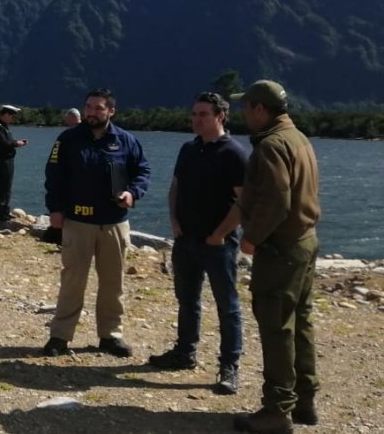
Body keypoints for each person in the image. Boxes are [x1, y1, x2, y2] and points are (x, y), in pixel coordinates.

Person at [230, 81, 321, 433]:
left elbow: (278, 200)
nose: (243, 113)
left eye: (246, 106)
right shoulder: (299, 138)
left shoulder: (270, 145)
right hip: (305, 242)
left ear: (259, 109)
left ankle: (276, 410)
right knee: (301, 323)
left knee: (276, 327)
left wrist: (252, 238)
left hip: (281, 249)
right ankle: (305, 400)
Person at [148, 92, 248, 395]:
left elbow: (244, 201)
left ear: (220, 116)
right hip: (185, 240)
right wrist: (174, 223)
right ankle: (184, 353)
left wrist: (220, 234)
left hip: (219, 245)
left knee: (227, 307)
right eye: (193, 114)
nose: (196, 119)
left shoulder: (234, 153)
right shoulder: (188, 149)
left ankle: (229, 367)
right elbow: (174, 188)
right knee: (187, 301)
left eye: (203, 114)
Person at [42, 88, 150, 358]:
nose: (92, 112)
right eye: (88, 107)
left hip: (115, 224)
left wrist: (133, 193)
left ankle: (110, 336)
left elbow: (143, 171)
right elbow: (54, 176)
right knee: (73, 281)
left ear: (111, 111)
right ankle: (60, 336)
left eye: (98, 108)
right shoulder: (68, 139)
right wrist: (55, 209)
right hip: (78, 222)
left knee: (113, 284)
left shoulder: (126, 141)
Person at [0, 104, 27, 230]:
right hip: (2, 160)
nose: (13, 118)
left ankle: (5, 212)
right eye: (12, 115)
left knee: (7, 186)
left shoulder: (5, 127)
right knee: (2, 186)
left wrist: (16, 142)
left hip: (9, 160)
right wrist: (16, 143)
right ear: (5, 114)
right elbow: (3, 144)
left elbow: (8, 142)